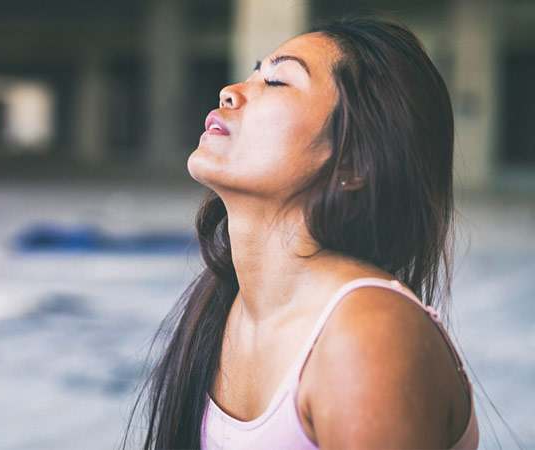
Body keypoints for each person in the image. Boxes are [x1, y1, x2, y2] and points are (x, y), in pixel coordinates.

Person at [128, 13, 479, 450]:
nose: (230, 92)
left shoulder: (366, 336)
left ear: (353, 163)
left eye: (277, 82)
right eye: (254, 72)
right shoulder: (223, 304)